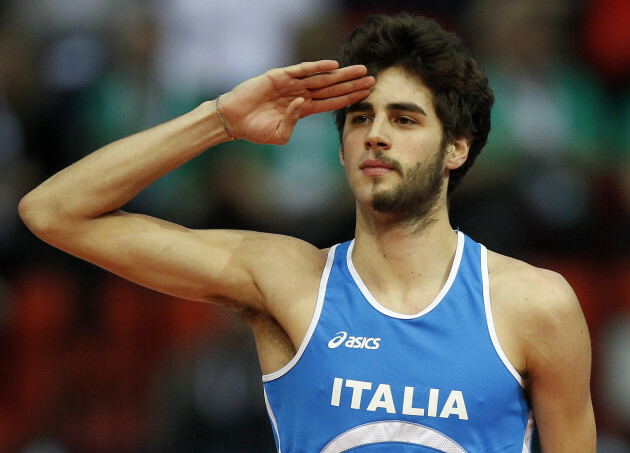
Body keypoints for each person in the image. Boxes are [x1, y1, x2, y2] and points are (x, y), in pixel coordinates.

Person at [19, 13, 596, 452]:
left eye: (404, 118)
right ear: (341, 148)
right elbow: (53, 212)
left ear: (457, 147)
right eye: (360, 118)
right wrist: (219, 120)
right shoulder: (288, 280)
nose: (375, 134)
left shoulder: (533, 304)